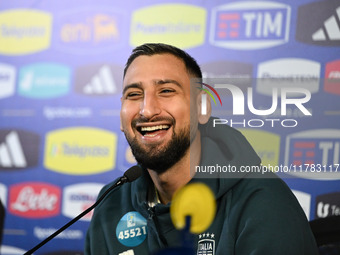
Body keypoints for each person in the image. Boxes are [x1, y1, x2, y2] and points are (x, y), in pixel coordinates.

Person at [85, 43, 318, 254]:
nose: (147, 110)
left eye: (166, 91)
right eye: (134, 95)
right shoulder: (111, 203)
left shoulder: (263, 202)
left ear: (202, 107)